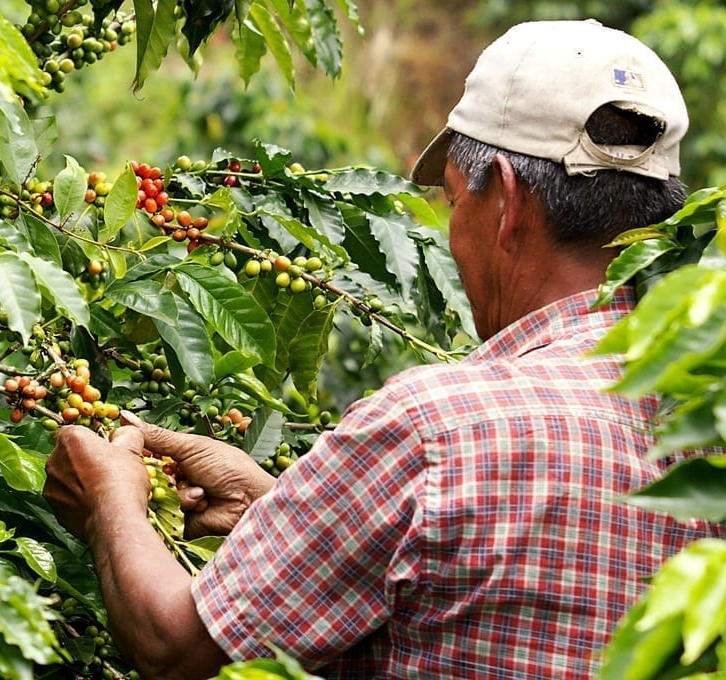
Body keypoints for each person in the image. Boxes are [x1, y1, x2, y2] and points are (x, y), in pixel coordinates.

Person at [43, 20, 726, 679]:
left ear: (508, 203)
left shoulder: (436, 430)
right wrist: (280, 511)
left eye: (456, 201)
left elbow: (176, 646)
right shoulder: (707, 417)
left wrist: (109, 500)